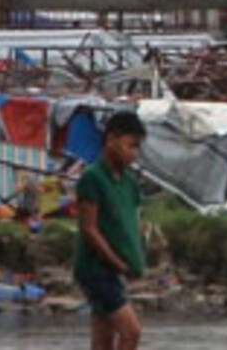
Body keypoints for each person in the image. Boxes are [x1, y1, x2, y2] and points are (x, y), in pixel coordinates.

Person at [74, 112, 148, 350]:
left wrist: (136, 259)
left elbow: (131, 223)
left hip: (112, 270)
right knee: (131, 332)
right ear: (112, 139)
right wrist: (118, 263)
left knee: (103, 340)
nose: (134, 153)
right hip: (95, 269)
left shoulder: (129, 181)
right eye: (131, 145)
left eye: (138, 147)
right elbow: (89, 229)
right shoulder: (92, 178)